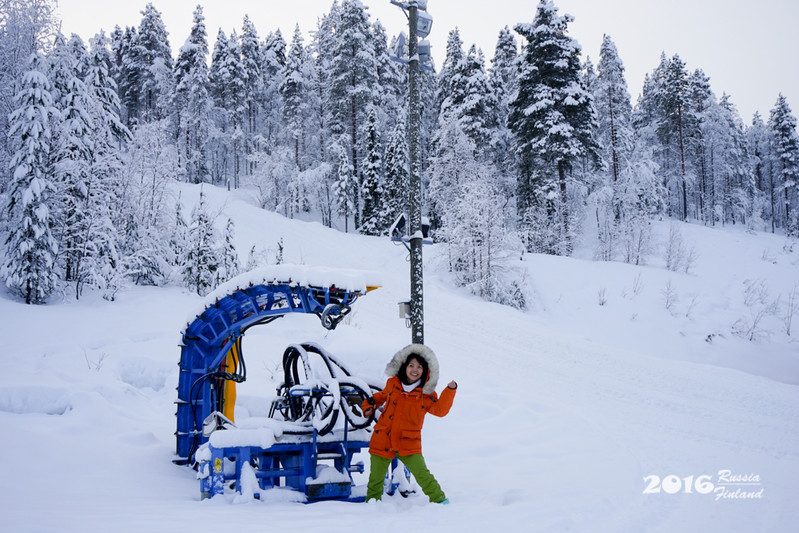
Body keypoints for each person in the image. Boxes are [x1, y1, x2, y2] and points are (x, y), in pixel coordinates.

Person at [362, 344, 457, 503]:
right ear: (404, 366)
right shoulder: (392, 384)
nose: (414, 369)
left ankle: (440, 501)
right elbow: (378, 397)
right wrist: (368, 407)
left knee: (423, 475)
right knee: (375, 481)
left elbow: (440, 410)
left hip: (408, 442)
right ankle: (372, 506)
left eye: (419, 367)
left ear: (425, 371)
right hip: (383, 438)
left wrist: (450, 390)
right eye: (411, 365)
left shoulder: (426, 395)